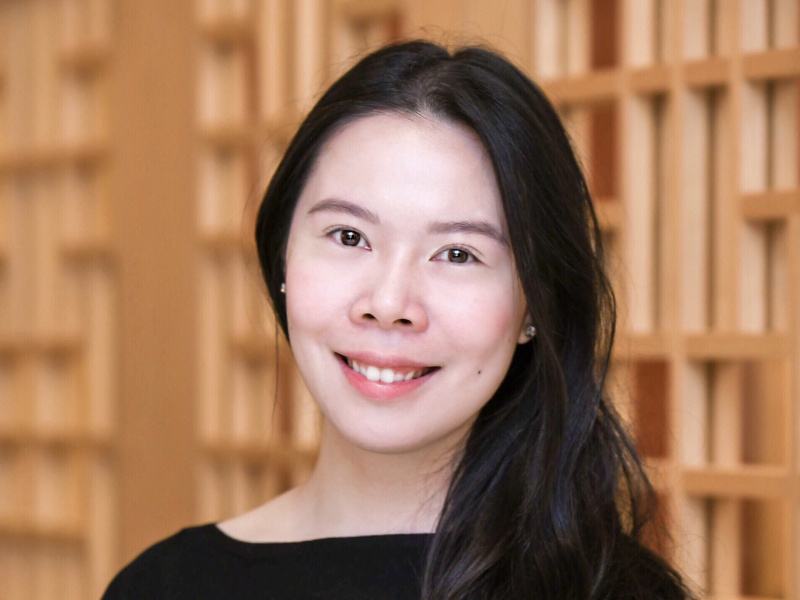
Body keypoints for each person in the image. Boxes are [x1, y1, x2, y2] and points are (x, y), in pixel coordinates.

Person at [103, 39, 695, 599]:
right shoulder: (165, 586)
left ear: (533, 306)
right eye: (349, 235)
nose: (388, 304)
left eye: (458, 254)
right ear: (282, 256)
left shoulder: (613, 591)